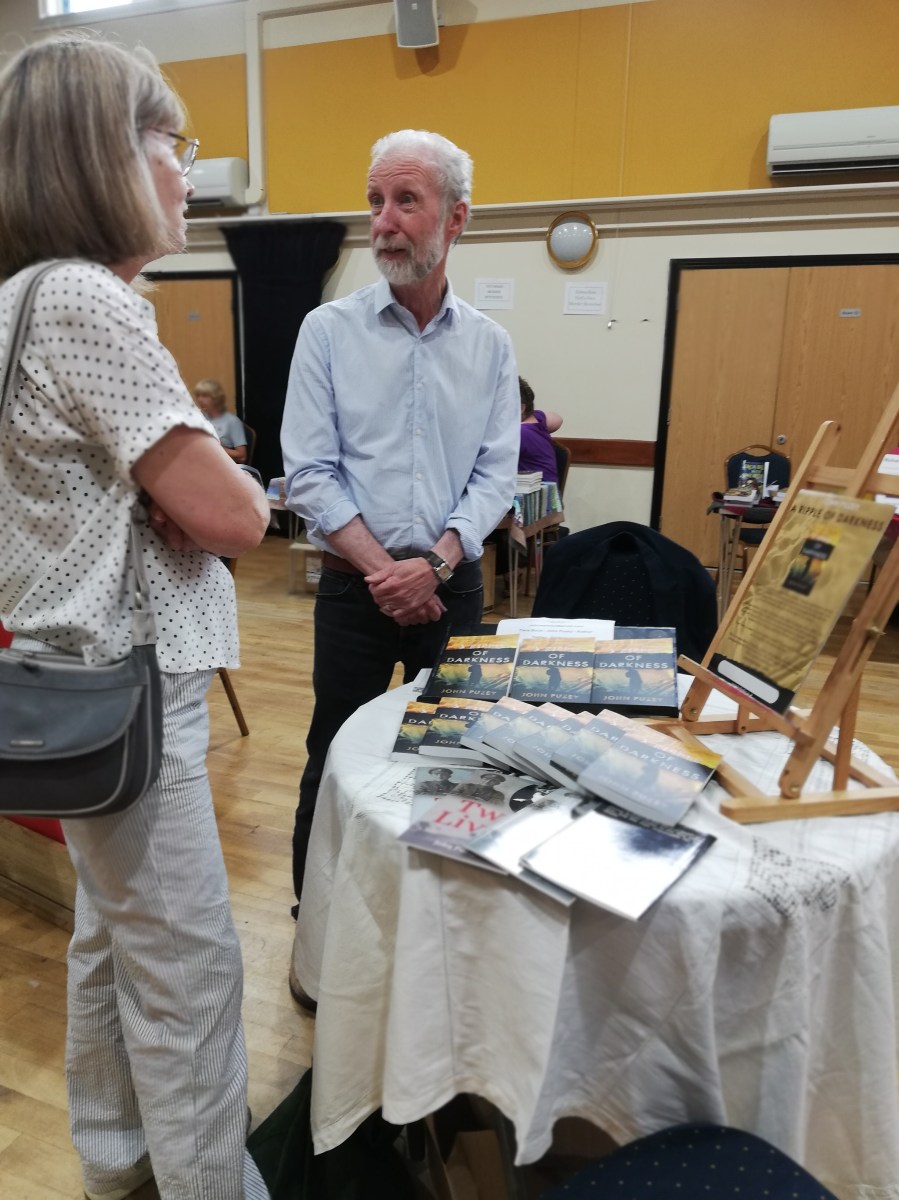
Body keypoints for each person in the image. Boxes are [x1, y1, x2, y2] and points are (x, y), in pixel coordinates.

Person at [0, 37, 271, 1200]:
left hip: (77, 678)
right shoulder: (83, 298)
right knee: (188, 972)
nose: (187, 170)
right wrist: (212, 496)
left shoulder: (20, 296)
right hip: (132, 685)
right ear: (102, 156)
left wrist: (169, 497)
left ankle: (117, 1163)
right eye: (170, 141)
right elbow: (235, 516)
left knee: (114, 939)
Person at [281, 128, 519, 922]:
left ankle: (437, 928)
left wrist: (436, 565)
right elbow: (309, 472)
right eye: (375, 201)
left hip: (451, 590)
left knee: (452, 756)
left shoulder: (489, 346)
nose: (382, 221)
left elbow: (494, 475)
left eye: (405, 201)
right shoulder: (327, 332)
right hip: (354, 594)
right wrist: (388, 573)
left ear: (456, 218)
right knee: (332, 755)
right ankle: (315, 924)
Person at [518, 375, 563, 482]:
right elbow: (557, 419)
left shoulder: (521, 432)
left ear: (521, 408)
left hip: (536, 492)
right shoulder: (537, 419)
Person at [194, 377, 249, 463]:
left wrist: (216, 448)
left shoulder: (232, 421)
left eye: (204, 396)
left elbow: (242, 456)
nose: (200, 400)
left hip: (221, 464)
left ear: (216, 398)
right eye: (198, 396)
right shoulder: (200, 418)